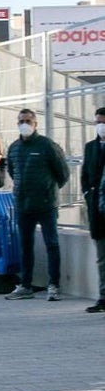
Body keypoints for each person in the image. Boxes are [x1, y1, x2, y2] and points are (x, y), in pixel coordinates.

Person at [5, 108, 70, 301]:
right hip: (23, 204)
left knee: (52, 243)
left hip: (46, 203)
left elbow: (63, 173)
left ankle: (54, 285)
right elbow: (12, 171)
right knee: (25, 245)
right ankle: (25, 285)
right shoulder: (14, 147)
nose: (24, 124)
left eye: (28, 121)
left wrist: (48, 190)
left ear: (35, 124)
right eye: (21, 121)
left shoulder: (47, 145)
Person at [84, 108, 105, 312]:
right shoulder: (90, 147)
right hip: (97, 210)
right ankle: (103, 297)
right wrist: (87, 195)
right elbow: (85, 176)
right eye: (97, 122)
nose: (100, 126)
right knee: (101, 257)